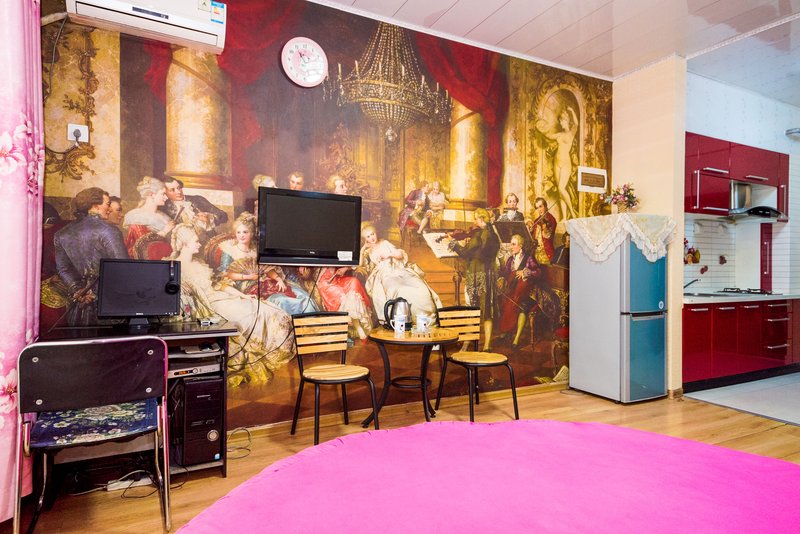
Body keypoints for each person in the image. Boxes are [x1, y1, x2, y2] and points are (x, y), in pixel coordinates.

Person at [168, 223, 294, 387]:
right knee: (251, 315)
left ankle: (277, 348)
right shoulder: (174, 266)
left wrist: (242, 296)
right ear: (185, 244)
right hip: (208, 305)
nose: (199, 244)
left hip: (220, 297)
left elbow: (218, 285)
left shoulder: (199, 263)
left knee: (265, 309)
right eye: (196, 241)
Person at [53, 187, 129, 325]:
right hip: (107, 304)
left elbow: (64, 269)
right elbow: (122, 268)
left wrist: (77, 291)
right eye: (107, 204)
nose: (109, 209)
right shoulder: (109, 231)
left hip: (80, 303)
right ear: (95, 206)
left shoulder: (62, 233)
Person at [219, 212, 317, 316]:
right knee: (281, 300)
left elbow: (266, 269)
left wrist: (279, 279)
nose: (241, 235)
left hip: (267, 280)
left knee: (304, 297)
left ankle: (310, 322)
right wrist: (247, 277)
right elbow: (225, 275)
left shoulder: (256, 249)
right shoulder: (229, 250)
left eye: (245, 232)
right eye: (238, 232)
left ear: (251, 233)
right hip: (248, 286)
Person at [358, 222, 442, 323]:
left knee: (420, 286)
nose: (372, 237)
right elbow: (360, 264)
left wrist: (389, 255)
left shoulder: (384, 243)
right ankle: (404, 320)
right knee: (397, 289)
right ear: (365, 239)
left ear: (376, 233)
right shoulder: (367, 251)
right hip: (384, 274)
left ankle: (424, 318)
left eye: (373, 234)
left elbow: (400, 255)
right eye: (368, 236)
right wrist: (363, 249)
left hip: (398, 269)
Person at [446, 208, 500, 350]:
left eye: (475, 218)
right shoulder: (491, 235)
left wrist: (453, 243)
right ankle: (484, 345)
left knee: (475, 308)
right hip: (484, 274)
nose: (474, 221)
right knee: (484, 309)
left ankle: (472, 342)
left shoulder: (480, 235)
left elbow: (465, 253)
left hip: (478, 274)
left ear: (481, 219)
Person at [497, 234, 541, 347]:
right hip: (514, 290)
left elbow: (538, 272)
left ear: (520, 246)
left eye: (514, 244)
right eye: (511, 244)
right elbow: (505, 273)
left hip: (528, 292)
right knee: (505, 303)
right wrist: (501, 279)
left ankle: (516, 338)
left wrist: (525, 272)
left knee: (522, 306)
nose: (511, 247)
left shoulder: (528, 258)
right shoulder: (510, 259)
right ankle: (507, 330)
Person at [538, 106, 578, 220]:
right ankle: (564, 217)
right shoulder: (559, 135)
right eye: (560, 121)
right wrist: (541, 127)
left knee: (561, 188)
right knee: (560, 192)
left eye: (563, 121)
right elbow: (548, 135)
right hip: (557, 162)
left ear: (567, 121)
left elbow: (576, 124)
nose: (561, 123)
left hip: (566, 163)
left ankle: (572, 212)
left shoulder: (571, 133)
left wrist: (572, 111)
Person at [160, 177, 228, 243]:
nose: (178, 192)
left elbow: (224, 216)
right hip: (185, 245)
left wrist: (210, 218)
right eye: (172, 190)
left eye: (179, 188)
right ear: (165, 192)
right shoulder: (164, 208)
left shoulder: (198, 200)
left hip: (209, 241)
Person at [123, 176, 176, 256]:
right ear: (152, 195)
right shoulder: (137, 218)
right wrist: (165, 231)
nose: (166, 197)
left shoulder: (163, 216)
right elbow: (143, 246)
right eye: (163, 194)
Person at [526, 197, 557, 265]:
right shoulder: (536, 221)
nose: (539, 210)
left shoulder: (551, 219)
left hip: (546, 254)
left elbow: (548, 236)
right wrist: (530, 229)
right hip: (536, 254)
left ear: (545, 206)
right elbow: (533, 238)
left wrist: (545, 228)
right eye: (537, 208)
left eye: (541, 206)